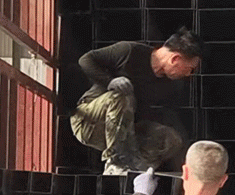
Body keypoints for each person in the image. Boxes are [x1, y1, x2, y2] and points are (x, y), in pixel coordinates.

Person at [71, 28, 203, 176]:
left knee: (171, 139)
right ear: (175, 59)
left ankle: (134, 170)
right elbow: (85, 60)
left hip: (124, 130)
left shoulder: (169, 85)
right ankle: (116, 162)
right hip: (89, 121)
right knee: (123, 94)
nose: (188, 74)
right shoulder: (129, 51)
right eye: (190, 69)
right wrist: (110, 81)